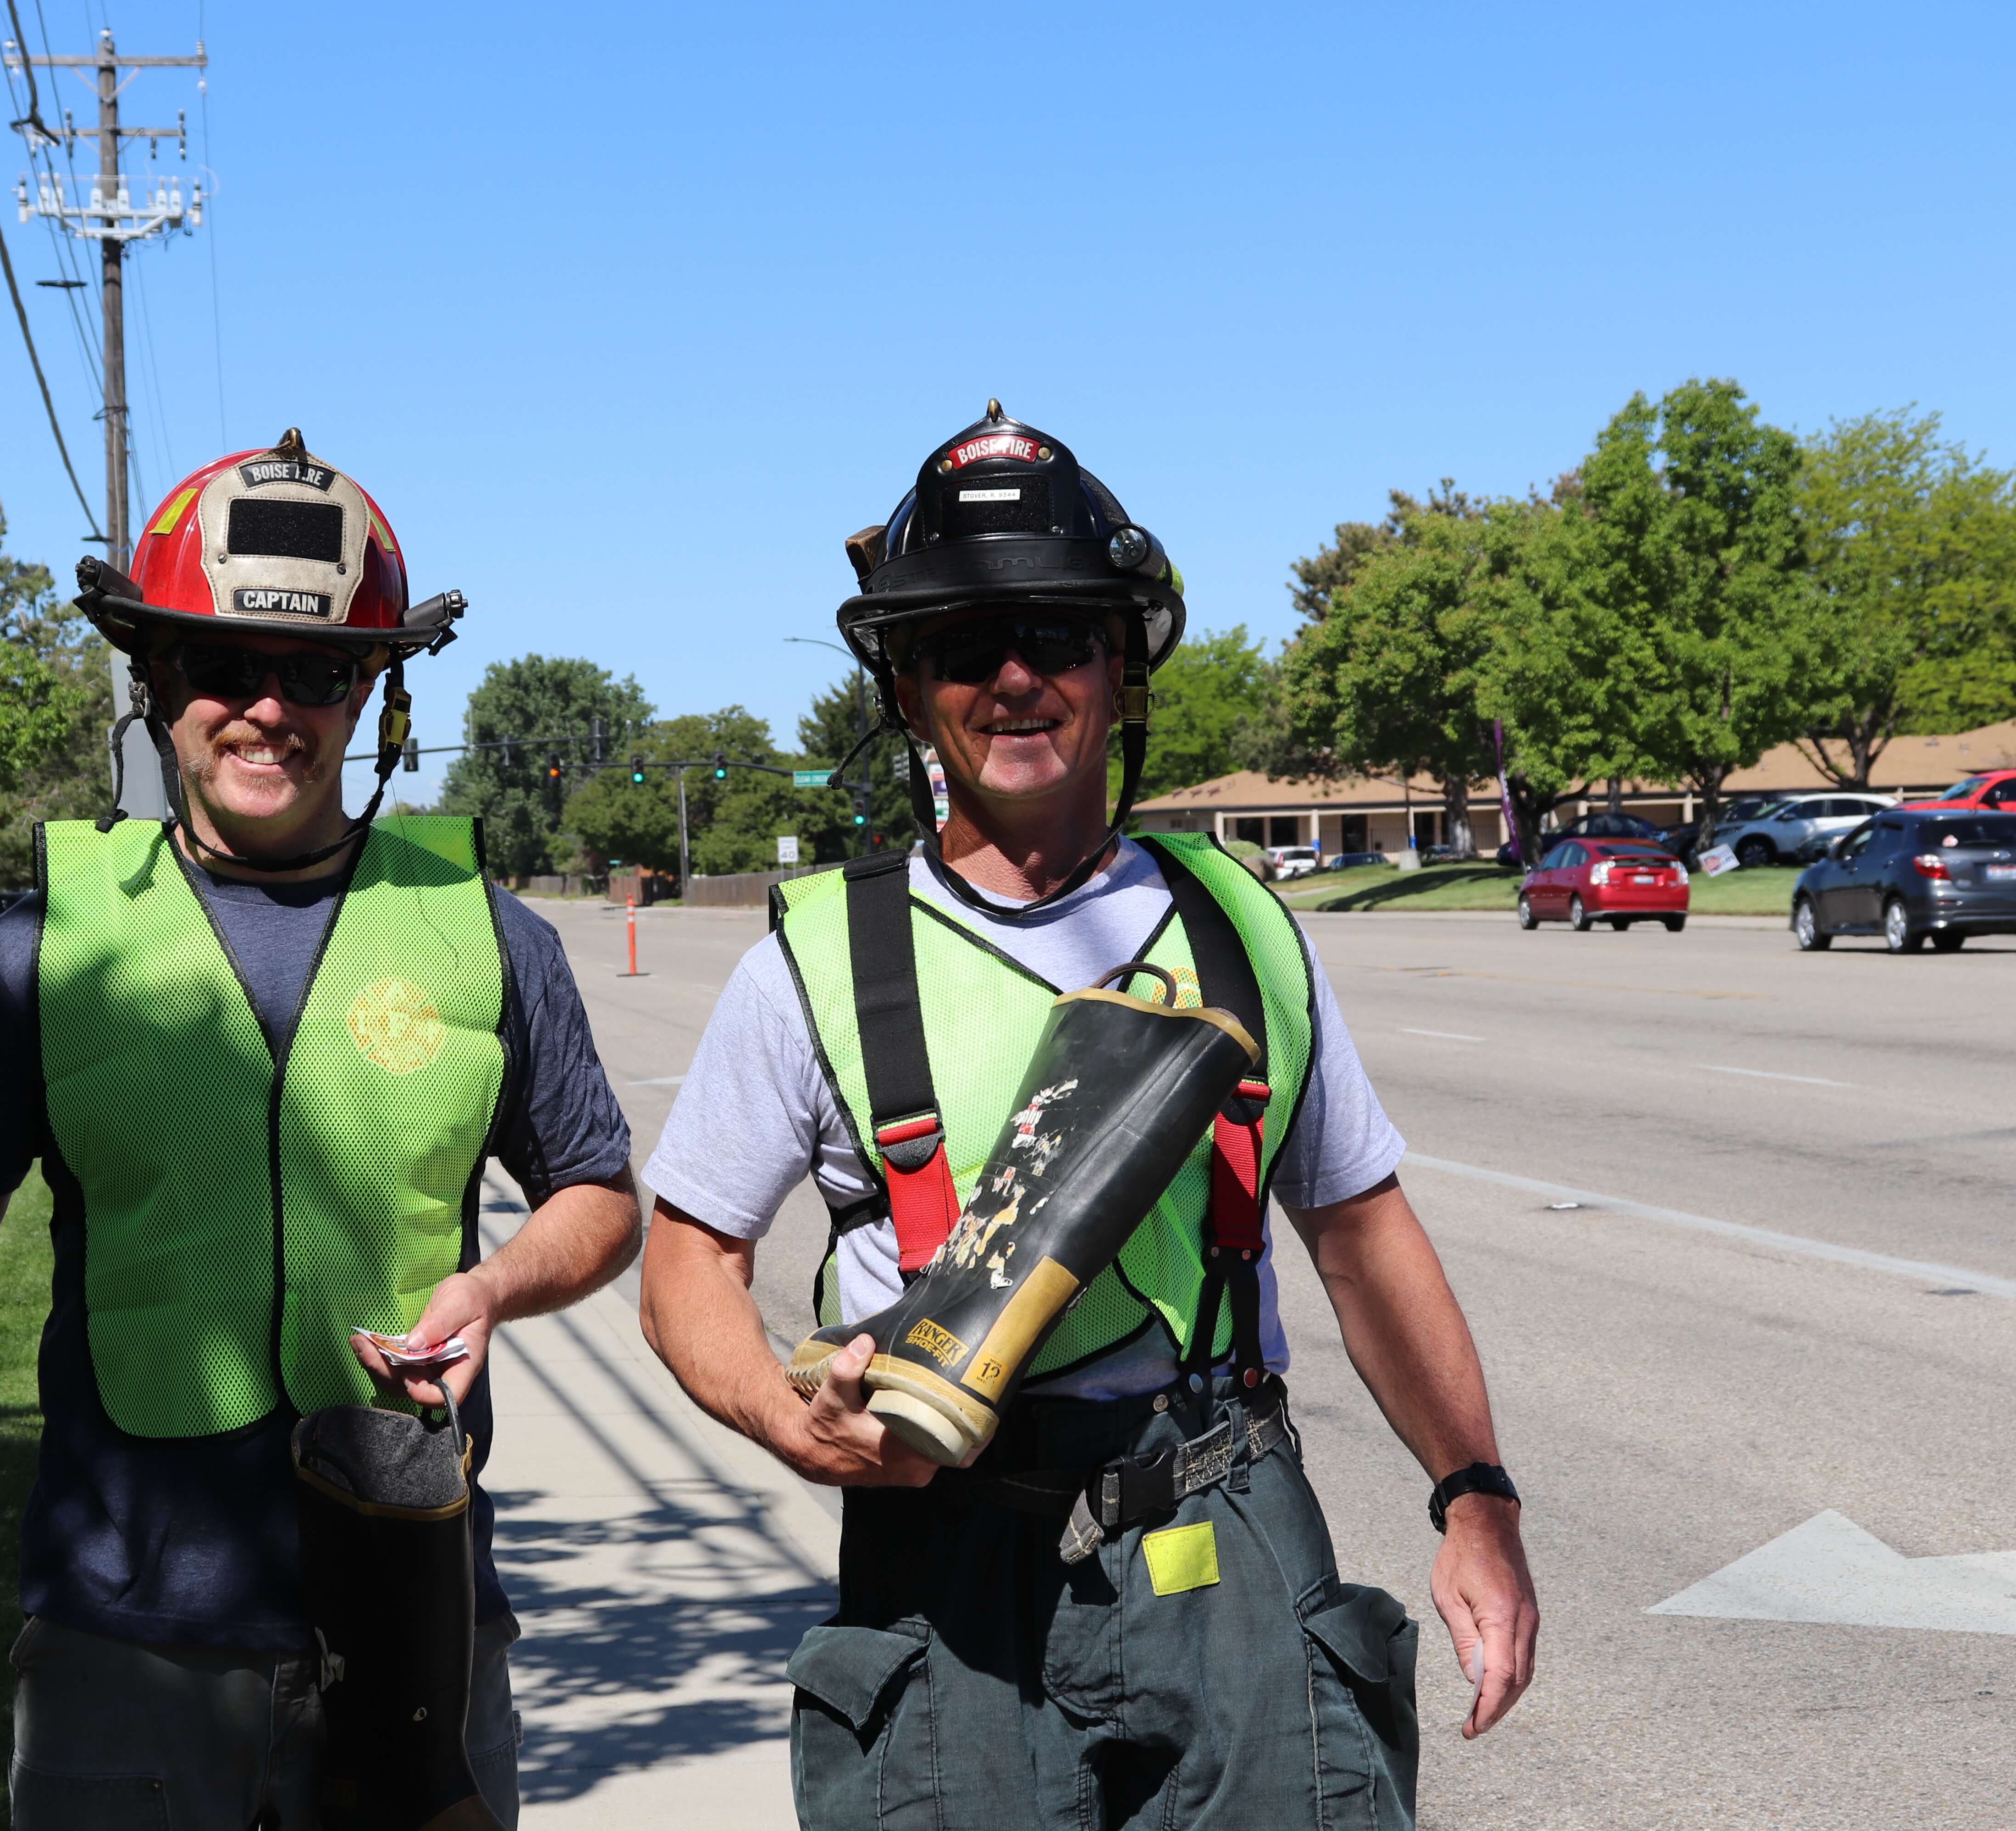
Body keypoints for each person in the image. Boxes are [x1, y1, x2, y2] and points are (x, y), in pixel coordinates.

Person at [639, 405, 1538, 1826]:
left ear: (1122, 665)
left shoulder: (1243, 928)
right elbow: (685, 1263)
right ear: (909, 686)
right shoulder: (812, 961)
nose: (1015, 678)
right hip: (947, 1559)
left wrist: (1474, 1495)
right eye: (961, 646)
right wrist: (784, 1416)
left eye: (1057, 635)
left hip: (1225, 1525)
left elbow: (1363, 1237)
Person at [0, 430, 638, 1829]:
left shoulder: (490, 939)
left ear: (371, 690)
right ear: (156, 683)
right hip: (124, 1649)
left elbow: (602, 1196)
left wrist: (499, 1283)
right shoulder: (44, 956)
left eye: (317, 671)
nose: (269, 709)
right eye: (222, 667)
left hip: (415, 1635)